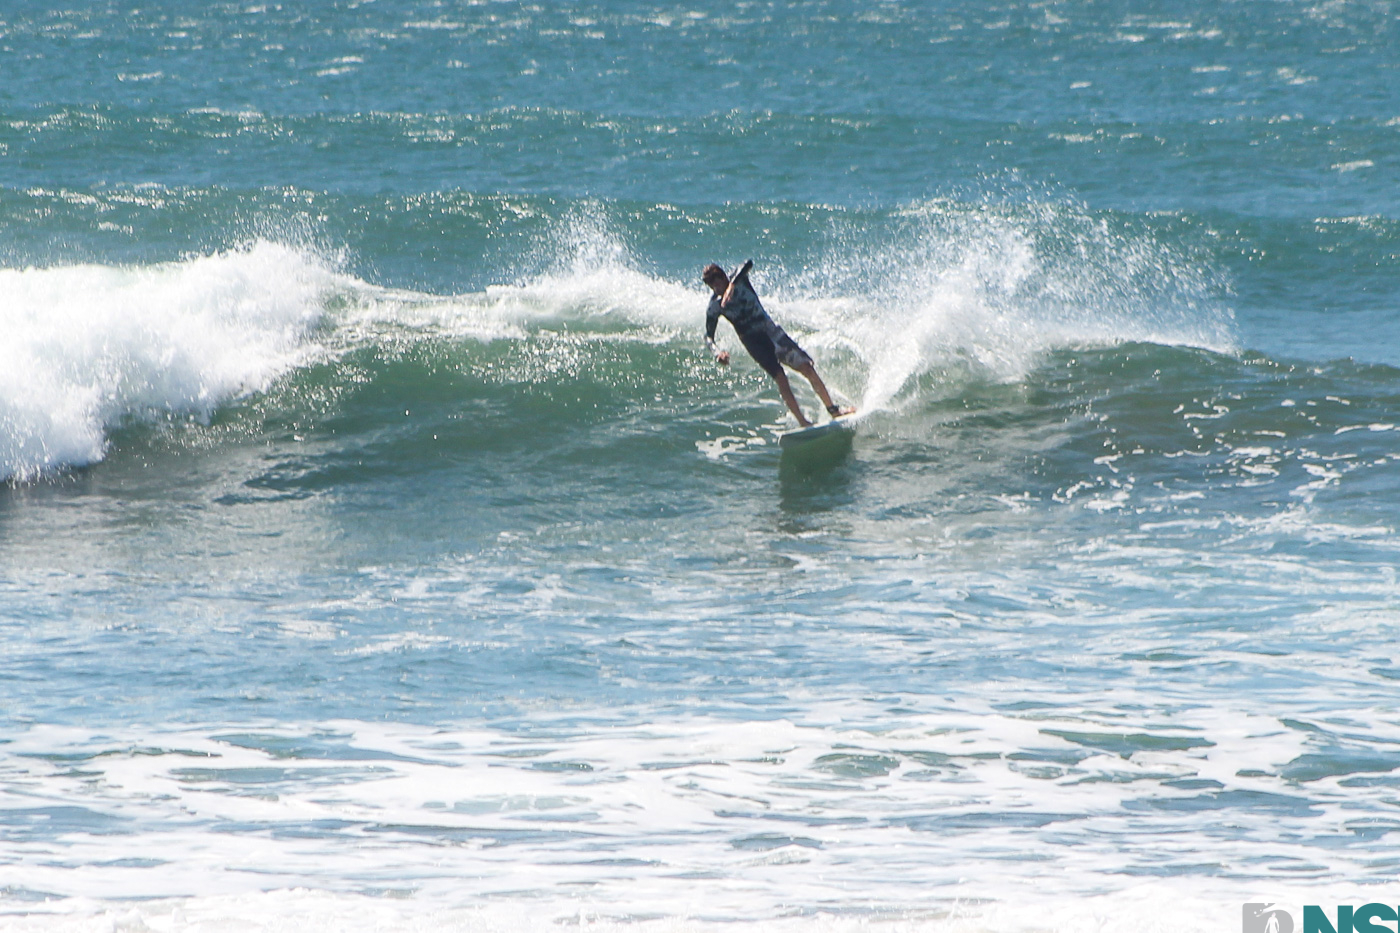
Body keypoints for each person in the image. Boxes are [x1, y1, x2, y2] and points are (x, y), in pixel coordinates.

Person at [702, 260, 854, 428]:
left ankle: (834, 411)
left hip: (770, 332)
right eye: (712, 287)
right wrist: (717, 352)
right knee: (781, 378)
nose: (716, 290)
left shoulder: (739, 280)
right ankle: (803, 422)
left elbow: (748, 263)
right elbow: (708, 337)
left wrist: (731, 286)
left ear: (724, 278)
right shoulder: (715, 306)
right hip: (754, 342)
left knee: (806, 367)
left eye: (717, 285)